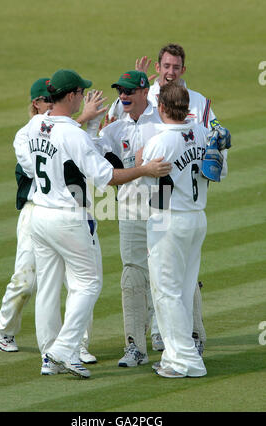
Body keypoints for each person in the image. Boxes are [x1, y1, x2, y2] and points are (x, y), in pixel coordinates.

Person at [20, 68, 171, 378]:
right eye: (80, 93)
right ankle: (64, 350)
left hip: (39, 214)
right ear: (73, 95)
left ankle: (50, 355)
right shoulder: (70, 132)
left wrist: (87, 126)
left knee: (48, 287)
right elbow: (105, 177)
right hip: (68, 216)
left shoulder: (35, 124)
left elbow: (33, 159)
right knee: (88, 284)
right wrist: (144, 169)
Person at [108, 43, 218, 354]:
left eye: (176, 67)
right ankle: (137, 344)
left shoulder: (195, 103)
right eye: (165, 66)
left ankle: (182, 339)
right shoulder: (130, 98)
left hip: (169, 203)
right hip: (135, 200)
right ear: (157, 68)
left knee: (175, 276)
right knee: (137, 271)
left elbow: (213, 145)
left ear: (183, 69)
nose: (170, 72)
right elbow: (108, 146)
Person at [0, 78, 106, 367]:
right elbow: (54, 153)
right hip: (41, 210)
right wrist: (82, 120)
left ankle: (75, 346)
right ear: (37, 104)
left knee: (71, 282)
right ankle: (9, 330)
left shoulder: (51, 129)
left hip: (59, 209)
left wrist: (81, 122)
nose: (50, 104)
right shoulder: (26, 133)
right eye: (47, 99)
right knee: (30, 280)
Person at [142, 82, 228, 378]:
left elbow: (147, 186)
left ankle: (185, 360)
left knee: (166, 291)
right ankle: (174, 354)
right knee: (183, 287)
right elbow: (220, 171)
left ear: (162, 107)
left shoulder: (160, 141)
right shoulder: (204, 134)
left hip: (168, 220)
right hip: (196, 217)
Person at [90, 70, 169, 367]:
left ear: (142, 92)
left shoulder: (162, 123)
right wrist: (94, 124)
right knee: (133, 275)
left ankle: (170, 336)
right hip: (129, 209)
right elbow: (93, 158)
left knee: (166, 272)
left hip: (162, 207)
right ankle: (135, 346)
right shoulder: (113, 130)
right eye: (119, 91)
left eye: (127, 91)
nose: (122, 96)